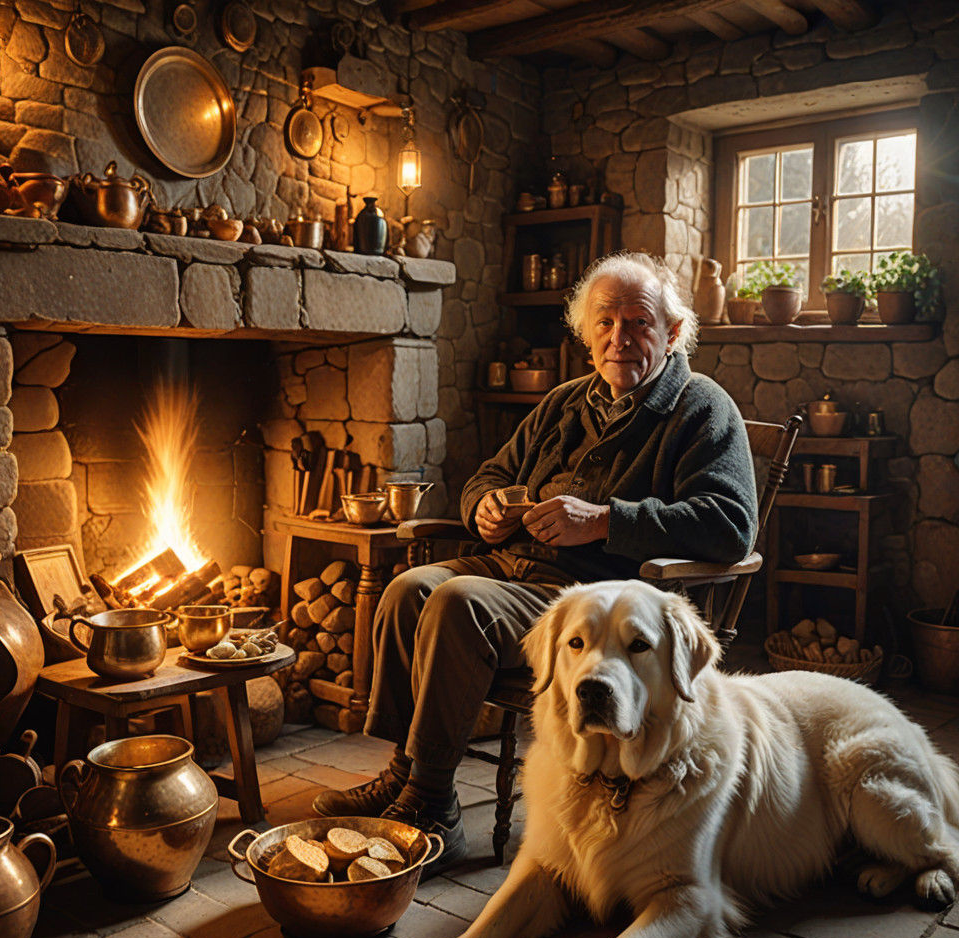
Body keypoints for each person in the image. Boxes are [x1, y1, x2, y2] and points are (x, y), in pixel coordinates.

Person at [312, 250, 759, 873]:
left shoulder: (702, 408)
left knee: (456, 602)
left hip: (596, 602)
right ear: (586, 334)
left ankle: (432, 803)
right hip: (514, 569)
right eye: (605, 323)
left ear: (673, 332)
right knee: (408, 587)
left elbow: (731, 527)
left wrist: (604, 521)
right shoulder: (566, 402)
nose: (619, 338)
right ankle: (407, 772)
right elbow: (491, 474)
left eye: (639, 323)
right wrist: (484, 508)